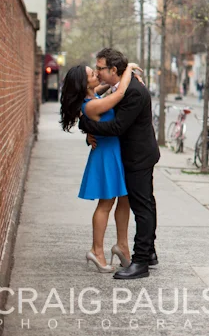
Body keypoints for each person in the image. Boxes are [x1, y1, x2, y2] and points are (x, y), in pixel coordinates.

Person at [79, 48, 160, 280]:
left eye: (100, 68)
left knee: (142, 207)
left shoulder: (133, 91)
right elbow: (98, 108)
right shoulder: (121, 87)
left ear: (113, 70)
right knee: (144, 204)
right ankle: (149, 252)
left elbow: (116, 128)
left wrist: (86, 125)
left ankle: (141, 261)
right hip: (128, 156)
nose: (97, 72)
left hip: (138, 157)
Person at [59, 62, 138, 273]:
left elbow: (105, 90)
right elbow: (119, 93)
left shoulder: (94, 98)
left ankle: (122, 246)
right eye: (93, 74)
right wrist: (128, 68)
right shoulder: (92, 105)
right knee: (105, 204)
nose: (97, 74)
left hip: (113, 153)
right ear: (84, 84)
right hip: (106, 156)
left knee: (124, 199)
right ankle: (97, 250)